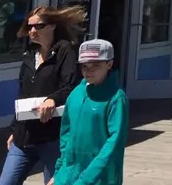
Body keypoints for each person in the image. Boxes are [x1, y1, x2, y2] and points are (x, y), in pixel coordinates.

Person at [0, 6, 83, 185]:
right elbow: (22, 95)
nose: (33, 31)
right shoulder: (29, 56)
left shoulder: (64, 50)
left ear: (52, 26)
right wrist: (14, 129)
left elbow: (70, 85)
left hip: (52, 136)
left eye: (39, 26)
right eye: (30, 27)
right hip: (24, 136)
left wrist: (52, 99)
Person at [50, 39, 128, 185]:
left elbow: (114, 144)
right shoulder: (75, 94)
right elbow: (65, 136)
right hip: (67, 175)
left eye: (95, 65)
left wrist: (86, 179)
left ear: (109, 64)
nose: (88, 71)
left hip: (99, 178)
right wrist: (57, 173)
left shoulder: (116, 98)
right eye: (84, 66)